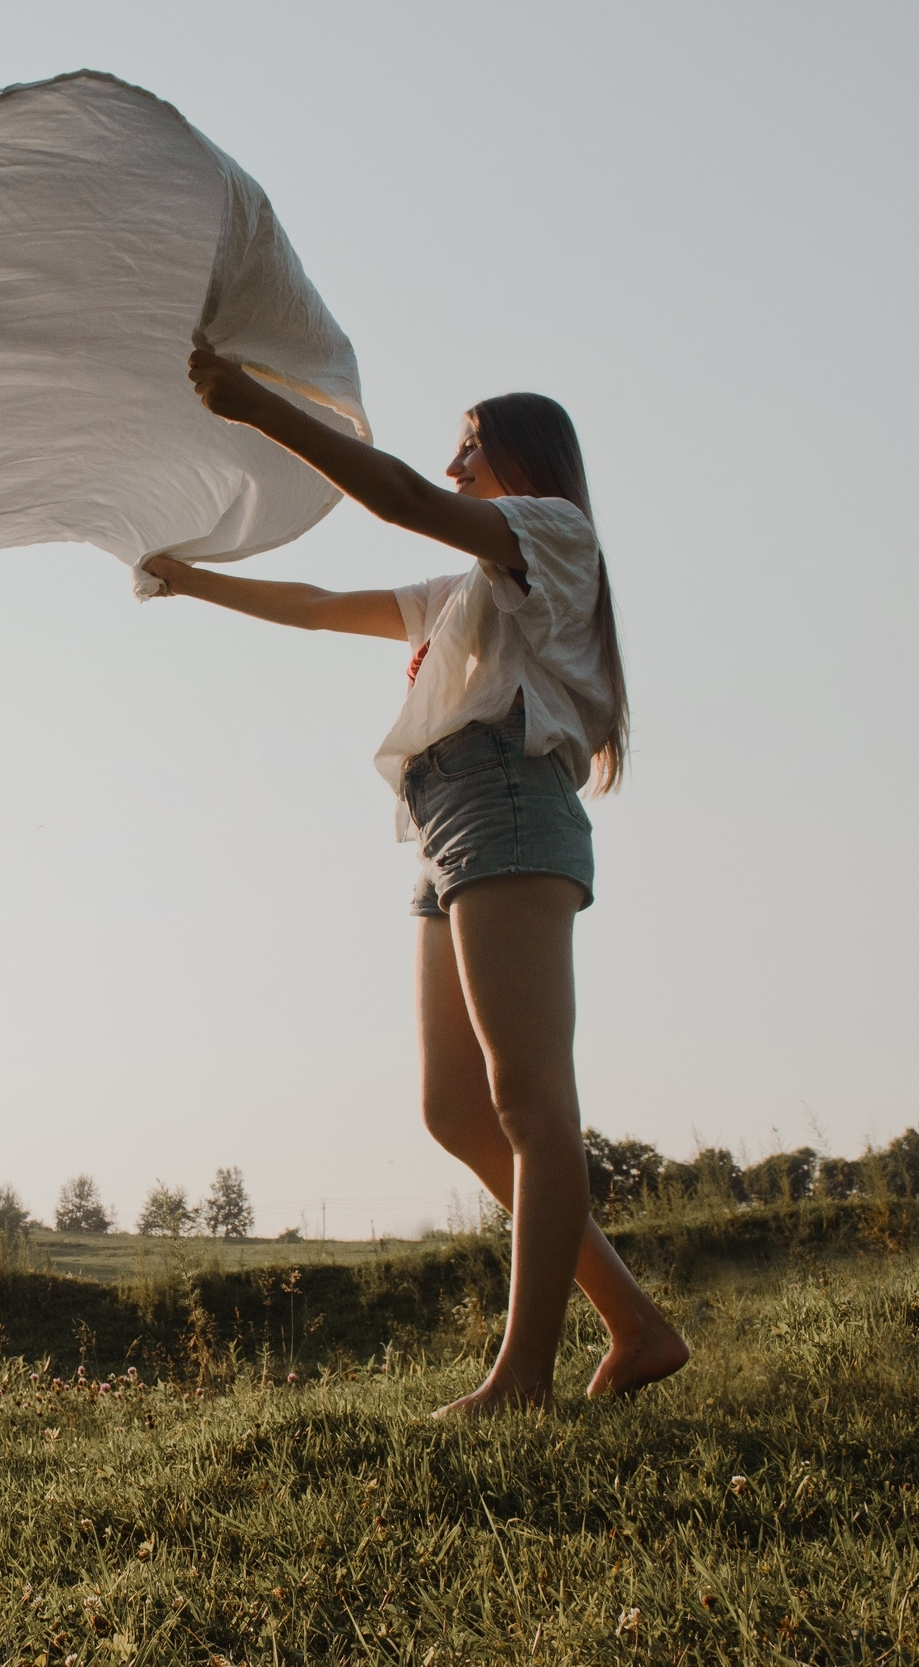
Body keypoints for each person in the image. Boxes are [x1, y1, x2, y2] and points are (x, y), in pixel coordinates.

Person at [147, 350, 686, 1415]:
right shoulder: (466, 589)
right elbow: (314, 607)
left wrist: (261, 406)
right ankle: (635, 1324)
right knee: (453, 1105)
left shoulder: (554, 537)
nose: (451, 463)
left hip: (506, 798)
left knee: (531, 1102)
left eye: (471, 446)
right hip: (447, 817)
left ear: (525, 459)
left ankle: (520, 1379)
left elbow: (394, 496)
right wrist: (184, 576)